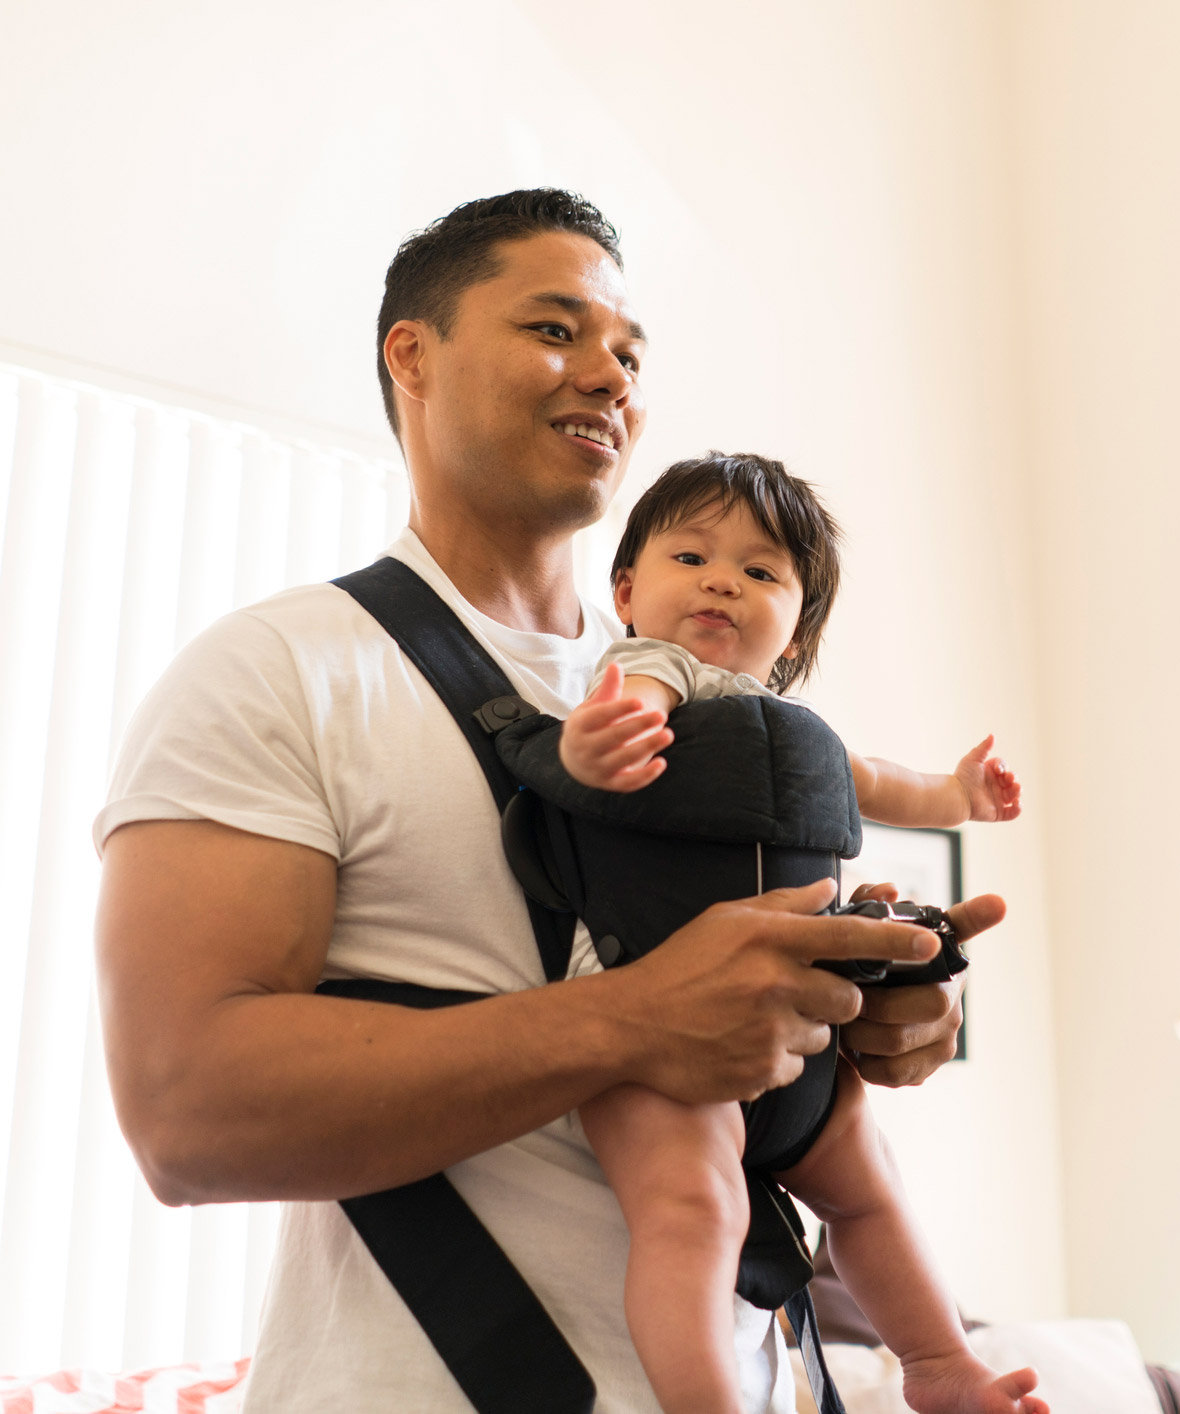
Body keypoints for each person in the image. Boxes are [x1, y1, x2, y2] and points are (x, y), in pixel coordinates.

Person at [92, 190, 1000, 1413]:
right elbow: (185, 1116)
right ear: (410, 353)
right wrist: (635, 1018)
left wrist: (877, 1010)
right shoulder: (280, 671)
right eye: (555, 330)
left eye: (629, 353)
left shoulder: (721, 703)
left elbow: (767, 1026)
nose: (608, 378)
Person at [552, 453, 1041, 1414]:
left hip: (802, 1041)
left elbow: (881, 782)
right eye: (690, 556)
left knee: (870, 1191)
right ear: (625, 589)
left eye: (762, 571)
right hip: (658, 1035)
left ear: (797, 625)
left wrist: (957, 794)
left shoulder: (792, 728)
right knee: (693, 1209)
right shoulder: (652, 672)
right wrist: (595, 744)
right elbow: (619, 713)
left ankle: (939, 1362)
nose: (722, 579)